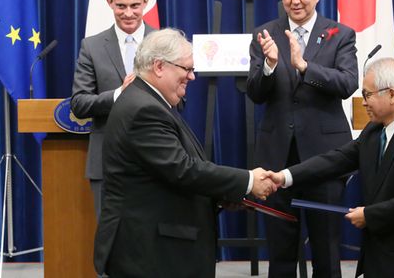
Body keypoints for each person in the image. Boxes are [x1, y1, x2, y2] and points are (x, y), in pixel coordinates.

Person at [93, 28, 276, 277]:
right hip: (149, 252)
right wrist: (249, 181)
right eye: (187, 69)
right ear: (159, 66)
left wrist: (222, 194)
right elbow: (183, 169)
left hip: (159, 248)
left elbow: (172, 170)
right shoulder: (143, 110)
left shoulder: (152, 101)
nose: (192, 77)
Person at [268, 58, 394, 278]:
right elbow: (337, 160)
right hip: (376, 259)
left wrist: (369, 215)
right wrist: (285, 176)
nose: (363, 102)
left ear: (392, 94)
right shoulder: (373, 131)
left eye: (368, 94)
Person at [246, 0, 358, 277]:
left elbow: (348, 83)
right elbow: (255, 93)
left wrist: (306, 67)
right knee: (280, 251)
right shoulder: (266, 33)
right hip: (276, 157)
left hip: (325, 158)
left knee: (326, 249)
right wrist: (268, 66)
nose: (294, 0)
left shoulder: (340, 34)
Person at [71, 0, 155, 218]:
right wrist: (120, 94)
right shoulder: (92, 47)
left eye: (135, 5)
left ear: (146, 2)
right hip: (107, 162)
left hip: (156, 158)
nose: (128, 13)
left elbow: (180, 102)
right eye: (121, 6)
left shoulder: (164, 42)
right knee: (110, 241)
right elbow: (79, 103)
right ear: (109, 2)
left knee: (151, 242)